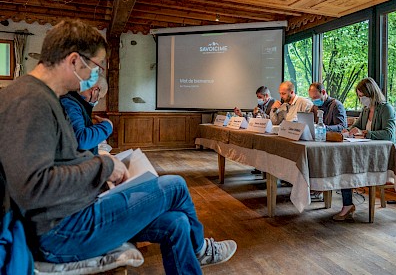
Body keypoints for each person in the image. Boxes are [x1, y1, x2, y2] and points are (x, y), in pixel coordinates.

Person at [0, 19, 236, 273]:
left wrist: (102, 174)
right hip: (62, 232)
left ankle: (197, 250)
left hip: (73, 215)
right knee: (176, 185)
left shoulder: (41, 97)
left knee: (177, 222)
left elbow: (57, 162)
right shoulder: (30, 101)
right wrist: (103, 166)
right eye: (95, 66)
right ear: (74, 61)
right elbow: (33, 187)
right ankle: (201, 250)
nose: (95, 75)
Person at [334, 77, 396, 221]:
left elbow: (389, 135)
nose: (361, 99)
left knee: (347, 166)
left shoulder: (386, 109)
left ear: (372, 94)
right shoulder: (365, 110)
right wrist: (347, 132)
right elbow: (356, 126)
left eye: (363, 96)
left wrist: (366, 133)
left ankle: (348, 204)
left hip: (385, 157)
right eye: (359, 96)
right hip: (367, 154)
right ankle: (348, 204)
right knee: (344, 164)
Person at [60, 75, 113, 154]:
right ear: (95, 90)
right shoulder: (70, 104)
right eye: (99, 97)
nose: (97, 101)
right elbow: (81, 140)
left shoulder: (76, 102)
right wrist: (107, 126)